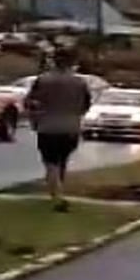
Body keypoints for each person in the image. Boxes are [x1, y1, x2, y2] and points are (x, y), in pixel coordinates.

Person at [24, 49, 91, 212]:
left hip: (48, 126)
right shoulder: (80, 83)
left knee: (50, 162)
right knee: (62, 159)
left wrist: (35, 118)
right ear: (72, 63)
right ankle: (58, 191)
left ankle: (57, 198)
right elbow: (86, 104)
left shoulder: (43, 80)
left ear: (54, 61)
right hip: (71, 128)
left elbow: (30, 102)